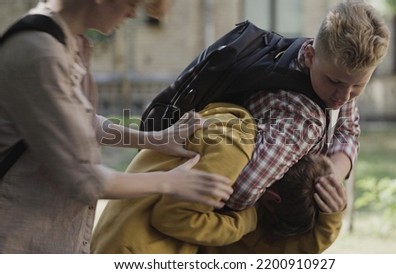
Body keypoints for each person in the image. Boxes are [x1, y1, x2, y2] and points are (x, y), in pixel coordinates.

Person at [0, 0, 233, 254]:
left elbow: (81, 121)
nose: (133, 14)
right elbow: (85, 181)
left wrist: (154, 139)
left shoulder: (69, 42)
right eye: (132, 3)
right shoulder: (40, 52)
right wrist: (171, 182)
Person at [91, 103, 345, 254]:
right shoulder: (231, 149)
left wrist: (329, 221)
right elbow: (172, 217)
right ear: (271, 199)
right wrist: (247, 219)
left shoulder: (239, 141)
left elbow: (275, 252)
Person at [225, 0, 391, 211]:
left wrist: (330, 178)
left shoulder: (323, 60)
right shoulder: (302, 120)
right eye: (335, 82)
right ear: (311, 56)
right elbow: (240, 194)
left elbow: (347, 131)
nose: (344, 96)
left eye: (358, 85)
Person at [200, 154, 345, 253]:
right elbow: (307, 248)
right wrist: (330, 221)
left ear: (271, 198)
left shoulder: (224, 223)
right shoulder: (287, 247)